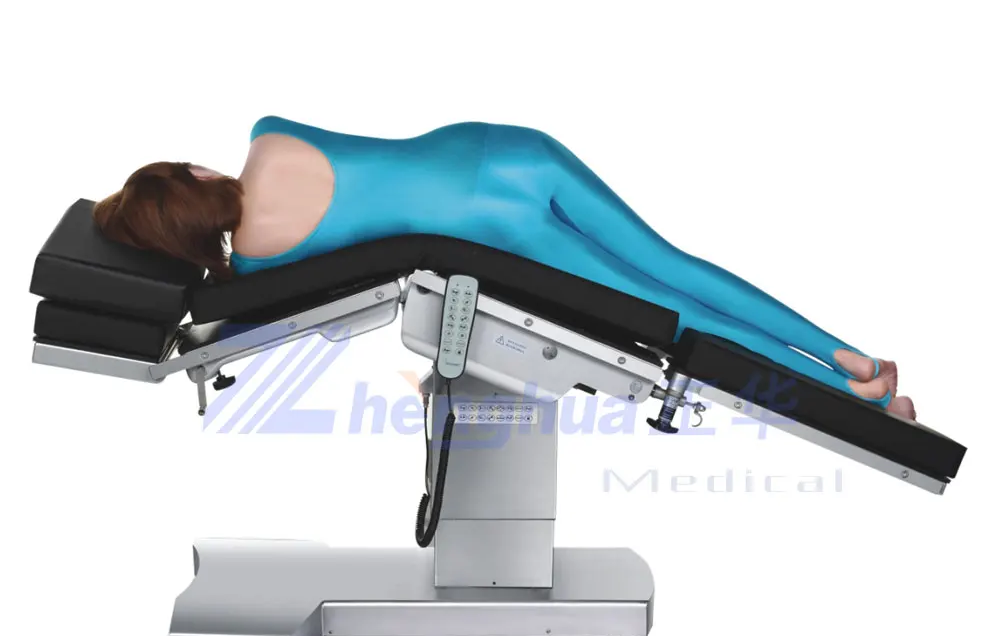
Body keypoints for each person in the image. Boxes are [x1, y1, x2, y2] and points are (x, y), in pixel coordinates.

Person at [93, 117, 915, 417]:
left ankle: (853, 397)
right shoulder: (269, 135)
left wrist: (217, 270)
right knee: (677, 266)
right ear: (195, 173)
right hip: (509, 148)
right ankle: (847, 357)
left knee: (672, 315)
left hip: (493, 224)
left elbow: (300, 296)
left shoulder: (265, 256)